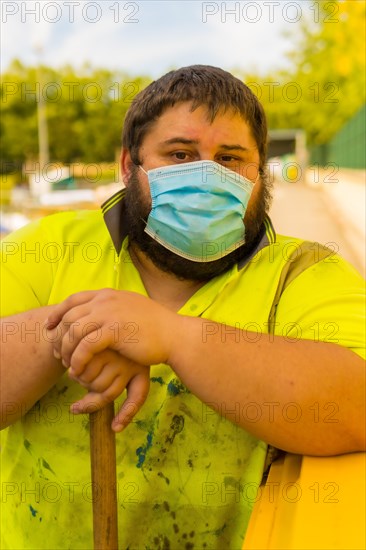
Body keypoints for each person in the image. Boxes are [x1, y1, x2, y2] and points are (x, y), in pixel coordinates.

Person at [1, 65, 364, 550]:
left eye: (230, 159)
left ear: (261, 173)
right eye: (180, 154)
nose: (207, 176)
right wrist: (79, 330)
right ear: (129, 166)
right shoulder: (49, 247)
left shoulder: (302, 273)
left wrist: (171, 337)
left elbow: (354, 407)